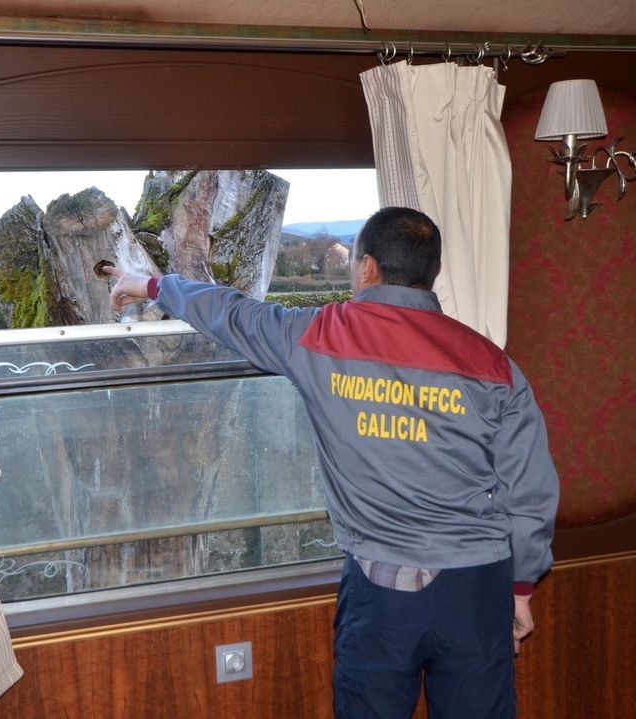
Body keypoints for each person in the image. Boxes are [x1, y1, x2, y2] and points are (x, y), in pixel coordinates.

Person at [106, 206, 559, 719]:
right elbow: (531, 490)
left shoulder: (320, 335)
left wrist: (151, 286)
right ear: (430, 273)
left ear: (367, 268)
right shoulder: (492, 362)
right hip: (477, 590)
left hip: (380, 592)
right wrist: (520, 589)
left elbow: (229, 312)